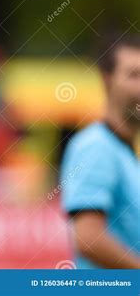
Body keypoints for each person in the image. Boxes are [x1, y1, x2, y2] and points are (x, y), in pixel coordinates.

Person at [61, 34, 140, 268]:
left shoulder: (123, 151)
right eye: (134, 75)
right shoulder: (96, 146)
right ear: (107, 80)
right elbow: (87, 238)